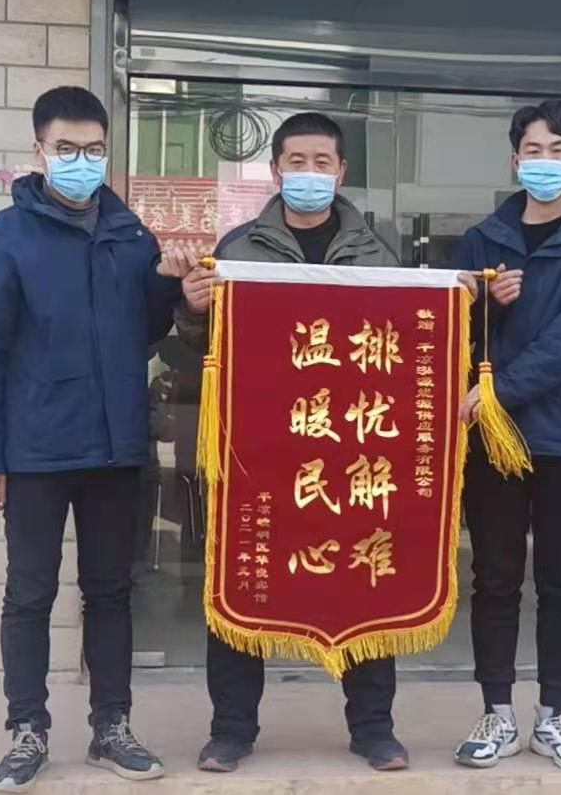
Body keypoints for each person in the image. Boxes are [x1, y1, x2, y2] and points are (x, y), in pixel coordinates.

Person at [0, 85, 197, 792]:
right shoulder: (4, 239)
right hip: (35, 451)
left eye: (94, 150)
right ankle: (27, 728)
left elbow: (144, 330)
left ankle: (111, 726)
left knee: (112, 592)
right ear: (39, 150)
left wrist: (173, 290)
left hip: (116, 449)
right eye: (67, 148)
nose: (81, 161)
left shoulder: (131, 236)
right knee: (29, 594)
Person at [176, 112, 409, 774]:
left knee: (363, 579)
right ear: (276, 170)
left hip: (350, 447)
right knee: (243, 579)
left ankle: (373, 727)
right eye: (297, 161)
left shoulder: (377, 252)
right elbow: (198, 348)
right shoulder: (239, 248)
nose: (310, 172)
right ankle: (231, 729)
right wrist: (191, 308)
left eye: (322, 162)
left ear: (342, 171)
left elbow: (403, 343)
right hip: (261, 450)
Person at [451, 100, 561, 773]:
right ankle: (496, 712)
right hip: (493, 439)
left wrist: (500, 389)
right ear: (515, 159)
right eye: (533, 149)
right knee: (494, 578)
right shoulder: (484, 239)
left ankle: (554, 713)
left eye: (558, 149)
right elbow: (450, 338)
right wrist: (481, 308)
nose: (545, 160)